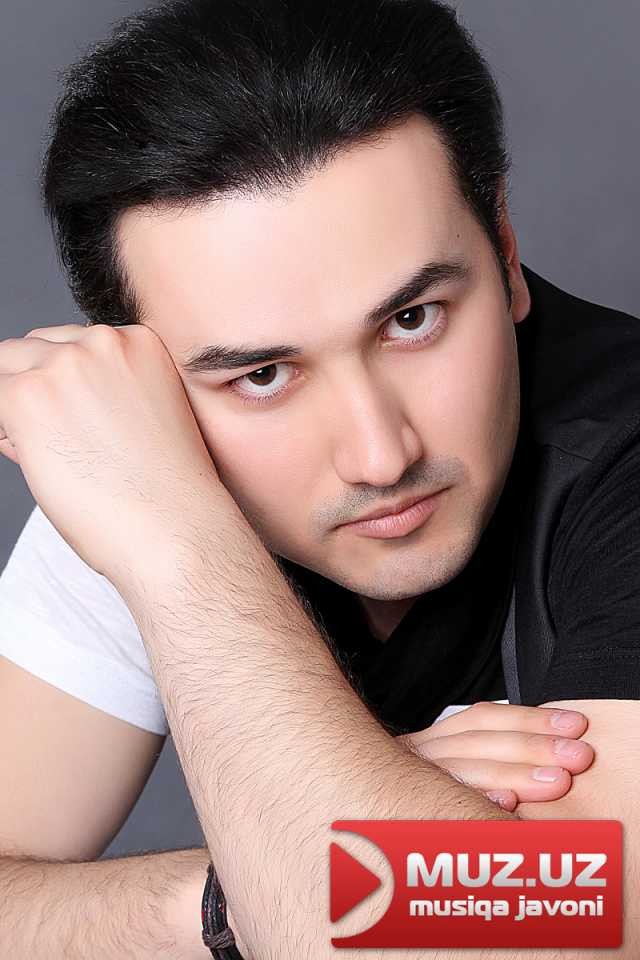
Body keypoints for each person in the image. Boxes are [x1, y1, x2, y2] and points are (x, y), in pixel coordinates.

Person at [0, 0, 637, 956]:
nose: (381, 456)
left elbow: (545, 932)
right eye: (262, 376)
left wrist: (318, 854)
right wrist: (240, 893)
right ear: (150, 380)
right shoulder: (150, 490)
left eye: (414, 320)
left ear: (504, 249)